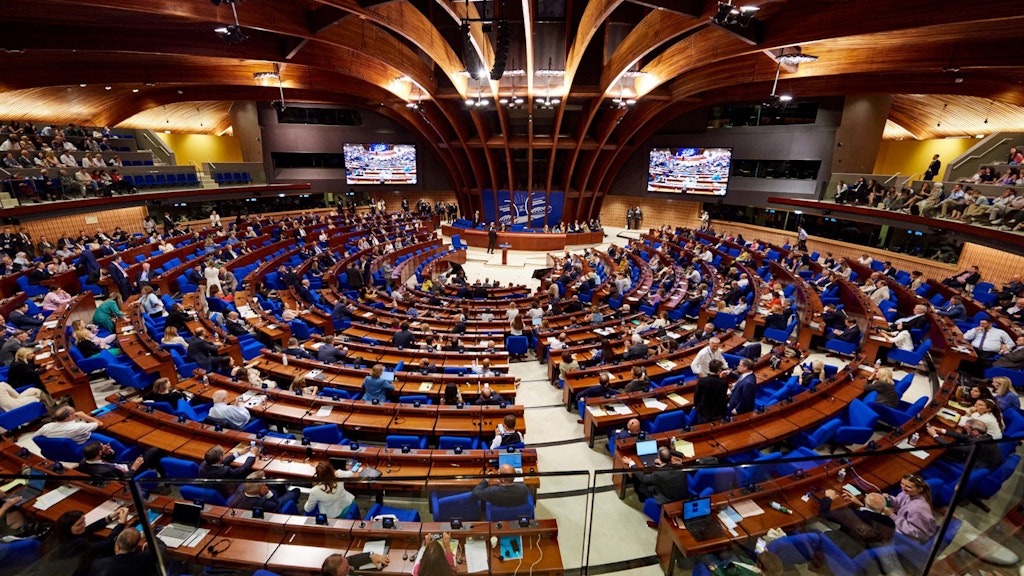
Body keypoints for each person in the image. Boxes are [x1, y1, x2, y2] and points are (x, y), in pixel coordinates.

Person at [38, 508, 129, 576]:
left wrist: (110, 517)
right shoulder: (77, 545)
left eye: (83, 521)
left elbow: (87, 529)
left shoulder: (58, 535)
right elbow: (107, 543)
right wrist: (121, 523)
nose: (84, 525)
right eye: (79, 524)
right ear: (68, 527)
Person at [619, 445, 688, 507]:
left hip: (667, 499)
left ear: (659, 458)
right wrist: (661, 465)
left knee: (641, 484)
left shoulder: (659, 474)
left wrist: (632, 463)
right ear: (671, 457)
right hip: (681, 495)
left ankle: (642, 498)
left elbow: (644, 478)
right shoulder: (680, 466)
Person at [926, 420, 1004, 471]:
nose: (965, 431)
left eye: (967, 429)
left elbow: (952, 447)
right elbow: (962, 436)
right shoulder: (985, 436)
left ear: (975, 432)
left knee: (940, 455)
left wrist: (935, 435)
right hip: (979, 459)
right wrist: (941, 430)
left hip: (975, 467)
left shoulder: (977, 443)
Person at [76, 440, 162, 479]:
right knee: (156, 450)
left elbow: (110, 460)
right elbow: (123, 481)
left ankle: (155, 467)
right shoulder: (105, 472)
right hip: (130, 471)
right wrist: (134, 468)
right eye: (103, 447)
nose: (105, 446)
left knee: (152, 457)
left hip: (123, 465)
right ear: (99, 453)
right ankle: (162, 473)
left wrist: (109, 453)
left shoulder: (84, 461)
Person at [227, 470, 301, 512]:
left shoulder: (242, 487)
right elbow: (276, 506)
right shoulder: (263, 504)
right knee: (295, 491)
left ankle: (281, 490)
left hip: (258, 499)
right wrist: (268, 493)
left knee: (276, 487)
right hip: (274, 504)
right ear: (259, 488)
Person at [35, 405, 101, 444]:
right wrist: (84, 416)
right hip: (83, 447)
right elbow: (99, 423)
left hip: (61, 450)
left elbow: (35, 437)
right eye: (74, 413)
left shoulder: (46, 427)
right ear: (69, 416)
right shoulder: (78, 427)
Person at [693, 359, 729, 424]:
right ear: (719, 370)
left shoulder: (702, 381)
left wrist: (698, 407)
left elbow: (697, 396)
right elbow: (723, 396)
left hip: (704, 410)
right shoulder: (724, 382)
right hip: (718, 411)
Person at [320, 551, 390, 576]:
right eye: (346, 569)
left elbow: (350, 560)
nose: (350, 567)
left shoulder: (342, 565)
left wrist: (370, 556)